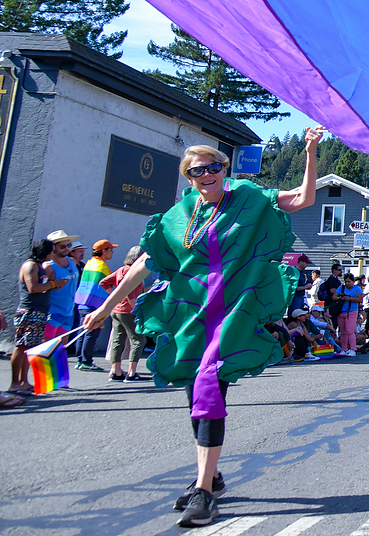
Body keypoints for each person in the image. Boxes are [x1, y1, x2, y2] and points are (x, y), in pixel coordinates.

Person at [82, 127, 324, 527]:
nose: (206, 175)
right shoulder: (179, 216)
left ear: (224, 169)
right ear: (188, 178)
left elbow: (303, 198)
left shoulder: (246, 196)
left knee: (209, 392)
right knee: (195, 399)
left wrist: (311, 152)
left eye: (213, 168)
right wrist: (106, 307)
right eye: (197, 171)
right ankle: (210, 474)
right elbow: (146, 262)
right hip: (191, 318)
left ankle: (204, 493)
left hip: (230, 315)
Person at [9, 239, 59, 395]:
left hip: (39, 312)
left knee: (30, 347)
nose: (54, 253)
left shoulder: (40, 266)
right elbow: (33, 287)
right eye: (52, 250)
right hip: (29, 312)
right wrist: (52, 284)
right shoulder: (30, 266)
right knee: (22, 345)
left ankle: (24, 381)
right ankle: (14, 383)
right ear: (45, 251)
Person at [100, 246, 148, 382]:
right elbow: (131, 294)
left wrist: (114, 297)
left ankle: (116, 371)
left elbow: (104, 282)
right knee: (138, 340)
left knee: (118, 339)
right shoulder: (134, 272)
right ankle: (132, 373)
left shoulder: (121, 270)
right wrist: (137, 311)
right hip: (128, 311)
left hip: (117, 310)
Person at [75, 239, 117, 372]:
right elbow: (108, 285)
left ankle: (80, 360)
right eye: (110, 250)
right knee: (91, 333)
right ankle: (87, 361)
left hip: (82, 302)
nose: (112, 252)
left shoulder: (89, 263)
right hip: (94, 305)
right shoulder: (102, 266)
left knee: (83, 331)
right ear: (103, 251)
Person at [43, 231, 80, 348]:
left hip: (68, 311)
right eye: (62, 247)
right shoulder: (48, 267)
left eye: (68, 246)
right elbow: (42, 289)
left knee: (61, 349)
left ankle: (56, 368)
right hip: (52, 312)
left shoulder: (72, 261)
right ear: (53, 248)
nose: (66, 249)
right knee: (46, 348)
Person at [335, 272, 363, 356]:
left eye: (349, 281)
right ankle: (344, 349)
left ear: (353, 281)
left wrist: (349, 298)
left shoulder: (357, 289)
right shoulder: (341, 287)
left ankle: (353, 349)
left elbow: (360, 300)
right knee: (343, 332)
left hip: (352, 311)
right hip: (341, 312)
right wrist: (340, 298)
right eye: (346, 281)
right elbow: (334, 297)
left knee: (350, 331)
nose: (347, 283)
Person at [318, 263, 344, 333]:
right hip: (332, 305)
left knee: (334, 323)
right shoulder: (333, 279)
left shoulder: (335, 279)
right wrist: (342, 293)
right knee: (333, 323)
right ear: (334, 270)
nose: (341, 272)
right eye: (339, 270)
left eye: (341, 270)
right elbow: (332, 290)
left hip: (332, 304)